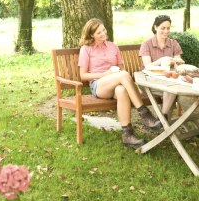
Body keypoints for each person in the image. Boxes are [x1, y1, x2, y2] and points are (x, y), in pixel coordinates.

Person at [78, 18, 162, 149]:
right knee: (122, 76)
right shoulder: (86, 49)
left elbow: (121, 69)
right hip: (99, 85)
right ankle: (144, 114)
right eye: (99, 33)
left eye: (103, 30)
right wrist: (105, 74)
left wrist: (118, 74)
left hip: (116, 83)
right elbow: (83, 75)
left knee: (121, 90)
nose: (103, 34)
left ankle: (127, 134)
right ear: (91, 35)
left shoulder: (113, 46)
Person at [139, 14, 184, 118]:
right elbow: (147, 66)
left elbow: (177, 65)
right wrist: (161, 60)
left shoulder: (174, 43)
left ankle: (163, 119)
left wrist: (177, 61)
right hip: (148, 81)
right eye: (163, 28)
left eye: (168, 28)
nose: (166, 31)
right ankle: (165, 120)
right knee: (170, 90)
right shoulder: (146, 44)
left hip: (168, 79)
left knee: (170, 88)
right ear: (155, 27)